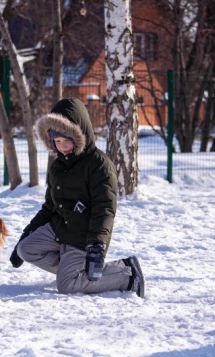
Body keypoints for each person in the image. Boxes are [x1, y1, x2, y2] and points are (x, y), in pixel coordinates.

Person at [9, 98, 145, 297]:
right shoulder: (58, 165)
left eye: (67, 141)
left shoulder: (99, 165)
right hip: (59, 228)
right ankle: (76, 271)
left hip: (83, 235)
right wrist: (27, 234)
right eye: (57, 141)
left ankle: (127, 274)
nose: (62, 147)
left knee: (67, 286)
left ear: (79, 135)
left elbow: (104, 209)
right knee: (26, 249)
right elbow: (49, 207)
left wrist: (97, 246)